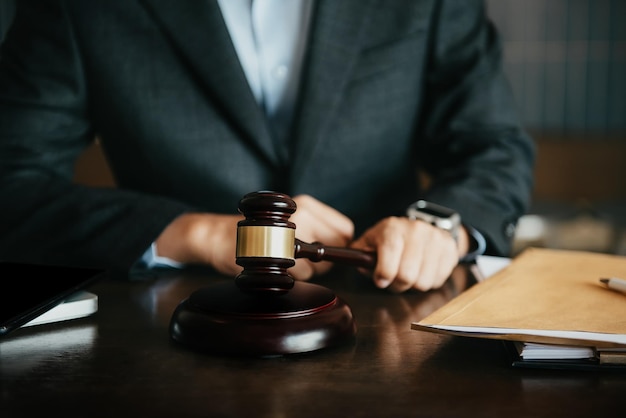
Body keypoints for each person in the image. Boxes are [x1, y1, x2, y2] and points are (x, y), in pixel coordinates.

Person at [0, 0, 534, 293]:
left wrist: (439, 228)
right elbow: (12, 184)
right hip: (169, 334)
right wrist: (195, 233)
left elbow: (493, 148)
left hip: (390, 316)